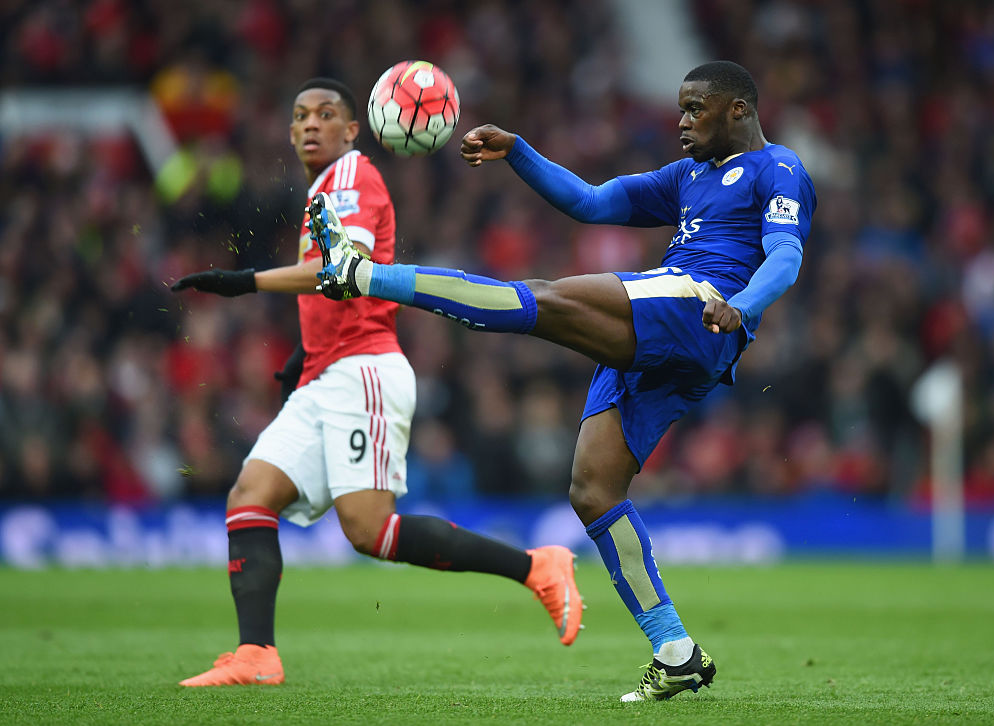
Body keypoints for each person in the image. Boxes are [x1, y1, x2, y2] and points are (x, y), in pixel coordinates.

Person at [312, 61, 816, 701]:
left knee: (541, 298)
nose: (682, 122)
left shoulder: (779, 169)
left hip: (700, 305)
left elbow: (786, 256)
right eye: (681, 109)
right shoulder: (687, 176)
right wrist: (518, 151)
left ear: (738, 109)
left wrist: (741, 305)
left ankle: (363, 275)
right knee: (593, 491)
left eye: (696, 109)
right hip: (674, 337)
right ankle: (676, 651)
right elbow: (590, 202)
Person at [170, 77, 583, 687]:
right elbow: (335, 289)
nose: (311, 124)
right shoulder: (323, 188)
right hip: (325, 371)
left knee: (371, 531)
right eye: (301, 115)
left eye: (326, 114)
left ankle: (536, 566)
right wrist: (303, 352)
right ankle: (256, 654)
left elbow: (339, 269)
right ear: (290, 131)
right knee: (251, 496)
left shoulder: (352, 177)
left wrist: (243, 281)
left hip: (362, 370)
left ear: (352, 129)